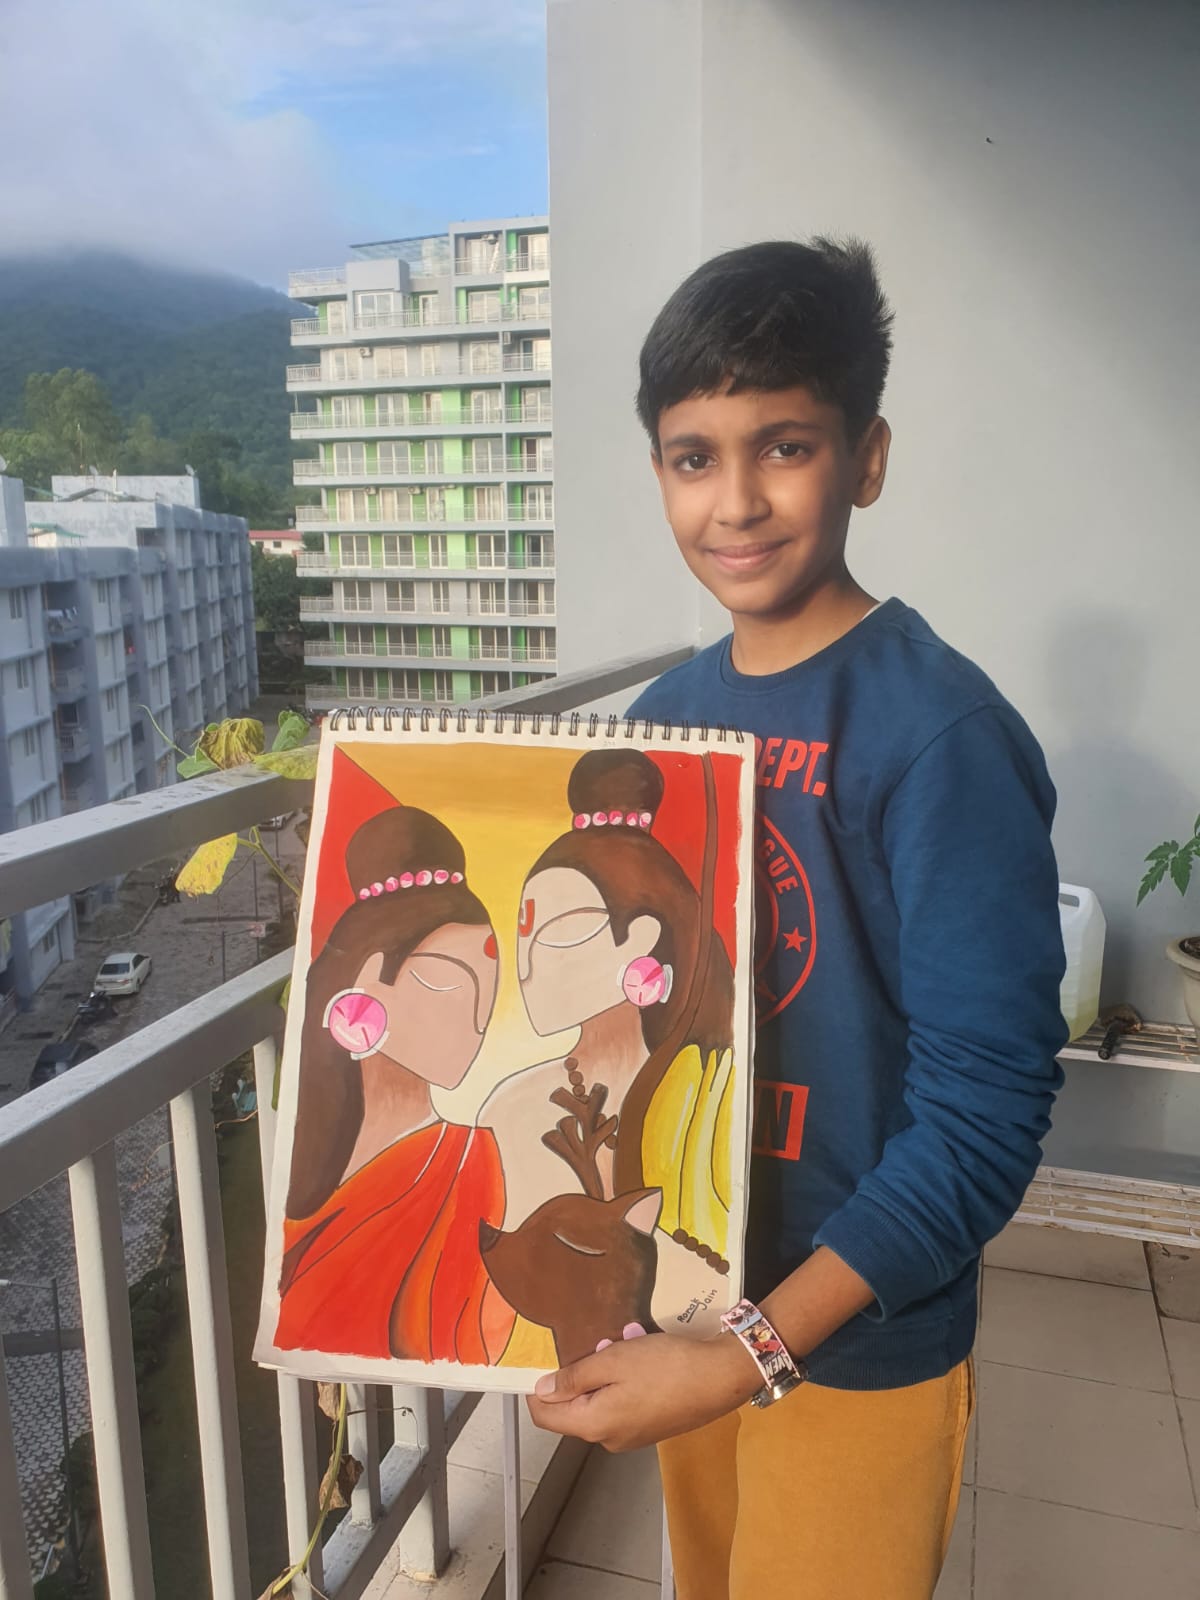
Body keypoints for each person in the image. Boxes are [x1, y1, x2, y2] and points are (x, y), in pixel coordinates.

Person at [528, 239, 1067, 1599]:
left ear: (866, 458)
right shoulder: (663, 727)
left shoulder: (940, 735)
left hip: (853, 1335)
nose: (737, 501)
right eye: (692, 456)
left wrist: (753, 1350)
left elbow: (985, 1115)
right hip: (690, 1299)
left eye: (784, 446)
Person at [481, 748, 737, 1363]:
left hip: (711, 1356)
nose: (529, 961)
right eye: (522, 933)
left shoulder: (709, 1090)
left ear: (641, 938)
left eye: (559, 931)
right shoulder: (510, 1108)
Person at [274, 804, 513, 1366]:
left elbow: (475, 1344)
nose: (480, 1018)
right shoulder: (303, 1166)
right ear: (363, 991)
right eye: (450, 982)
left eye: (491, 986)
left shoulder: (470, 1161)